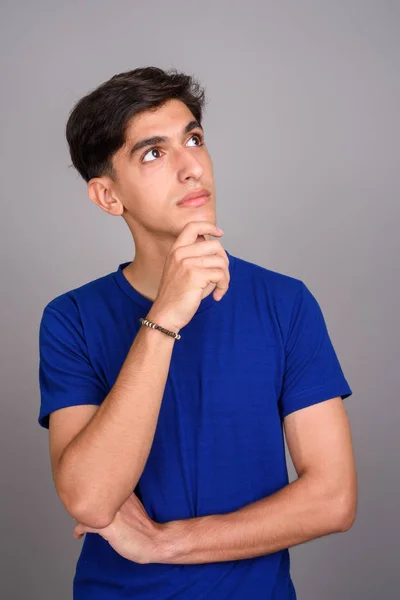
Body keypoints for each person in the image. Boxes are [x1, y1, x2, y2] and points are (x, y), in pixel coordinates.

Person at [38, 66, 357, 600]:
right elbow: (92, 500)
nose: (191, 168)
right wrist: (165, 316)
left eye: (194, 139)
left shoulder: (285, 303)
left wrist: (165, 543)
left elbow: (333, 499)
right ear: (108, 196)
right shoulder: (70, 317)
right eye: (154, 153)